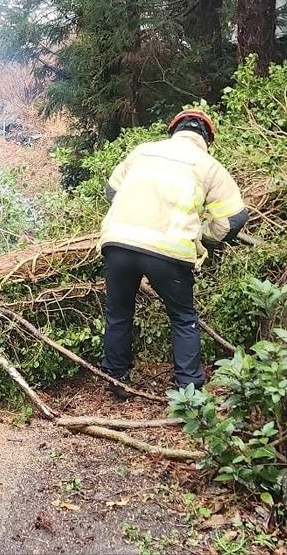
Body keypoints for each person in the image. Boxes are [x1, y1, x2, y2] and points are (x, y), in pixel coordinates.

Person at [97, 108, 249, 394]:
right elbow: (234, 218)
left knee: (118, 313)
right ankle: (188, 391)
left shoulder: (142, 151)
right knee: (182, 317)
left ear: (174, 130)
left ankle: (116, 381)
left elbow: (111, 191)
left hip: (118, 243)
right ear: (207, 137)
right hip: (170, 252)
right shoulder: (208, 166)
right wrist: (207, 237)